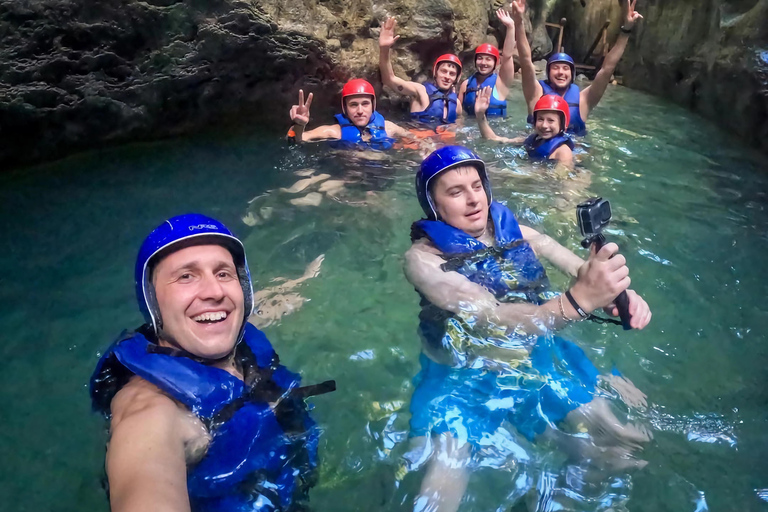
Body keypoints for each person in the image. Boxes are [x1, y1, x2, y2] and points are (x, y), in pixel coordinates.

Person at [403, 146, 652, 511]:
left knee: (623, 443)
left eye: (477, 186)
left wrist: (618, 291)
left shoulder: (516, 231)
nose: (474, 199)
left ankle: (553, 496)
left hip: (532, 357)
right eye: (455, 192)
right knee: (440, 487)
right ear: (433, 205)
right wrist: (580, 300)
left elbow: (578, 268)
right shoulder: (423, 260)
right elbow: (491, 316)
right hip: (461, 375)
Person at [90, 214, 334, 512]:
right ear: (152, 303)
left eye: (223, 274)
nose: (215, 292)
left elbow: (267, 305)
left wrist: (307, 278)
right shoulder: (154, 413)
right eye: (186, 276)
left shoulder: (237, 338)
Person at [512, 0, 643, 136]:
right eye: (555, 68)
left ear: (572, 74)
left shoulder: (583, 100)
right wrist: (519, 22)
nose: (561, 72)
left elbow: (607, 69)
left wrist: (626, 30)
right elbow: (526, 60)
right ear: (548, 72)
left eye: (565, 68)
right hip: (535, 151)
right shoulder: (536, 94)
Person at [379, 17, 463, 125]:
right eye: (443, 71)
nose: (447, 76)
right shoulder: (420, 91)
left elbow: (459, 126)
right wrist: (384, 49)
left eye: (452, 74)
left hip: (445, 140)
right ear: (435, 73)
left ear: (456, 78)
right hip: (420, 139)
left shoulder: (457, 104)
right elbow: (389, 79)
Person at [288, 78, 411, 150]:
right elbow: (296, 140)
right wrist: (299, 125)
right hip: (347, 177)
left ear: (373, 105)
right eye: (353, 105)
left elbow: (415, 138)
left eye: (365, 104)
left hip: (382, 176)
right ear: (345, 108)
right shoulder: (335, 132)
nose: (360, 111)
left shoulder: (389, 128)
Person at [476, 87, 574, 167]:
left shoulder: (563, 152)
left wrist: (514, 172)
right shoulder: (534, 140)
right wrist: (480, 115)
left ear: (563, 123)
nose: (544, 125)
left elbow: (558, 182)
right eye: (540, 119)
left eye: (551, 120)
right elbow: (493, 138)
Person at [459, 8, 518, 117]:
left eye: (488, 59)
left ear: (496, 63)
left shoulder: (501, 83)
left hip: (496, 131)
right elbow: (459, 114)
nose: (483, 62)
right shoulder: (466, 85)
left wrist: (510, 27)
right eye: (480, 58)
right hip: (470, 131)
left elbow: (508, 56)